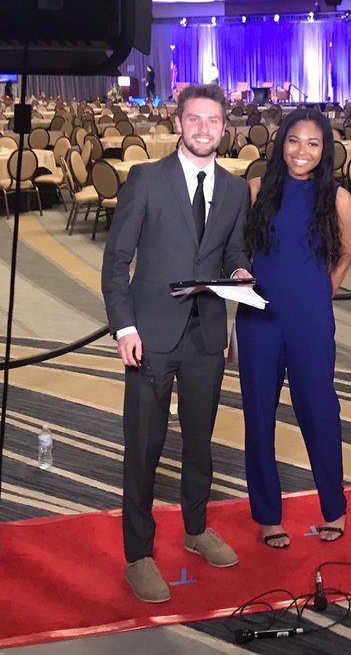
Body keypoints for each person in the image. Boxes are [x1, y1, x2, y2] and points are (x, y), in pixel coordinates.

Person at [101, 83, 254, 603]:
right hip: (150, 334)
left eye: (214, 120)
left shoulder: (235, 191)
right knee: (143, 447)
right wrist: (124, 327)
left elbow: (235, 251)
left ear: (224, 126)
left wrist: (239, 272)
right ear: (179, 122)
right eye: (195, 119)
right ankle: (138, 555)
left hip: (207, 332)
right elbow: (116, 261)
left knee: (198, 440)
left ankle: (194, 528)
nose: (205, 129)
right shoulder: (146, 180)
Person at [235, 108, 351, 548]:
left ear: (325, 151)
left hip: (310, 316)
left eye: (313, 143)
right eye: (293, 141)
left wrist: (326, 291)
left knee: (320, 411)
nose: (301, 151)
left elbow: (344, 253)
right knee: (259, 415)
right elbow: (237, 253)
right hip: (258, 317)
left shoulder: (338, 198)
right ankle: (268, 515)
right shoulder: (254, 190)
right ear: (280, 143)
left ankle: (334, 507)